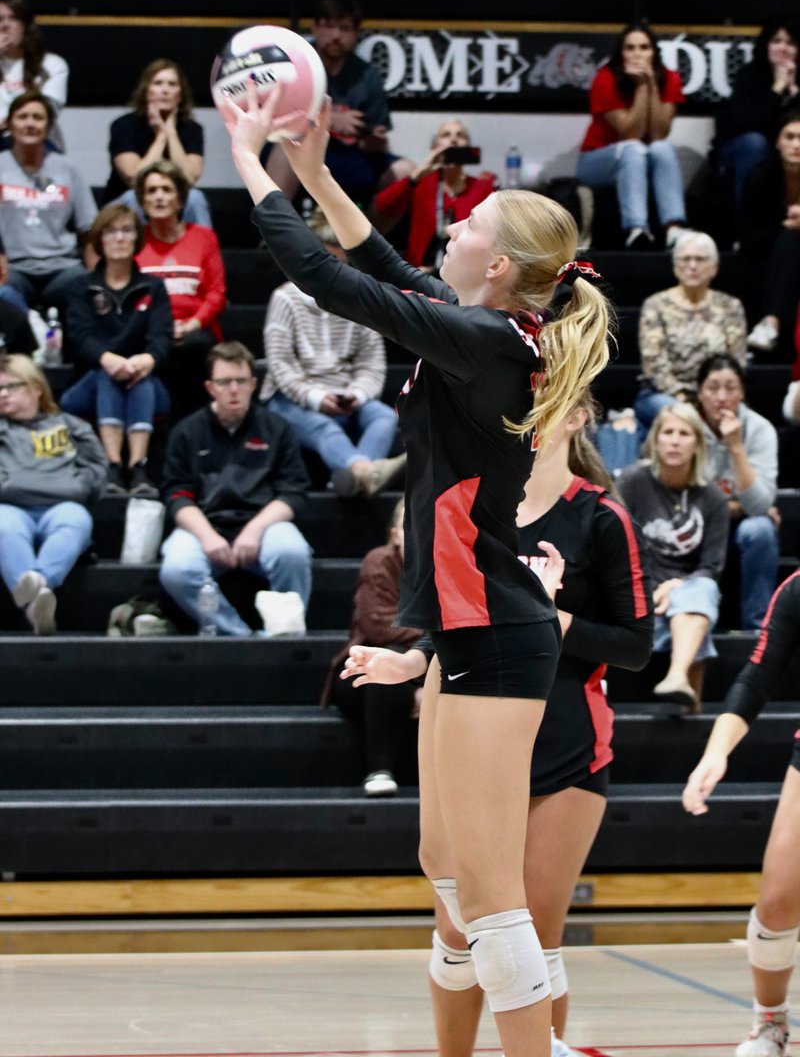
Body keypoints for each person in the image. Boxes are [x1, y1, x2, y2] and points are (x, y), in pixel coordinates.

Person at [225, 81, 612, 1057]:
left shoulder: (486, 343)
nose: (453, 225)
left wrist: (247, 163)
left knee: (487, 899)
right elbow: (381, 260)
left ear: (503, 265)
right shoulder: (487, 329)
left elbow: (334, 283)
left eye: (470, 220)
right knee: (440, 858)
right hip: (460, 627)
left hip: (495, 630)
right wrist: (310, 170)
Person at [344, 396, 653, 1057]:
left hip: (566, 742)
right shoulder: (484, 507)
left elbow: (636, 644)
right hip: (476, 734)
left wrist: (550, 617)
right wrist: (413, 659)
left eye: (547, 405)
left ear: (575, 419)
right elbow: (463, 619)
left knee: (532, 929)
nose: (526, 413)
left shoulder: (602, 517)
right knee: (460, 929)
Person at [682, 568, 800, 1057]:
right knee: (777, 902)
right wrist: (716, 753)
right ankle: (770, 1022)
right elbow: (755, 678)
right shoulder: (796, 590)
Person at [159, 340, 312, 638]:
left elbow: (293, 491)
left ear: (253, 384)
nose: (233, 389)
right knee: (176, 568)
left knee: (292, 552)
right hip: (205, 523)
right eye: (224, 382)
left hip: (264, 523)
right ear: (209, 387)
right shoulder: (187, 432)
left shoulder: (277, 428)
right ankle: (237, 634)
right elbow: (176, 495)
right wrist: (207, 536)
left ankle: (285, 633)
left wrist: (255, 529)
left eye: (240, 381)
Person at [261, 204, 405, 497]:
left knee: (385, 417)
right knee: (327, 430)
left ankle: (353, 479)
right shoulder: (286, 298)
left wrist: (357, 394)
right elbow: (281, 367)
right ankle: (366, 472)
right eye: (326, 260)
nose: (332, 270)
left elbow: (372, 364)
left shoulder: (358, 299)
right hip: (292, 399)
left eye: (339, 262)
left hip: (345, 394)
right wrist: (317, 397)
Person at [616, 402, 729, 711]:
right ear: (655, 440)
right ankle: (685, 699)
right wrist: (653, 589)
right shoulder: (632, 482)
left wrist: (674, 587)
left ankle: (678, 676)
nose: (675, 440)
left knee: (701, 595)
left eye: (684, 433)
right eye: (667, 432)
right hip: (640, 593)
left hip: (687, 594)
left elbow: (711, 567)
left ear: (697, 444)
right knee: (698, 617)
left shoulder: (714, 498)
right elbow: (618, 548)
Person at [265, 0, 413, 220]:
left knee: (405, 171)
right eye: (329, 27)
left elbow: (376, 133)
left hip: (350, 156)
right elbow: (279, 116)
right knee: (284, 148)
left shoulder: (366, 74)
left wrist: (376, 142)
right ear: (314, 28)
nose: (336, 36)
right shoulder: (297, 64)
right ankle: (272, 233)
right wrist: (331, 119)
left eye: (344, 29)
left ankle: (368, 242)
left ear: (355, 34)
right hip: (304, 150)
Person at [60, 201, 173, 498]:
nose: (119, 238)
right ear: (99, 239)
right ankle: (114, 465)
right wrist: (109, 360)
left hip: (145, 385)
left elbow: (162, 338)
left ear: (137, 237)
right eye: (110, 232)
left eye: (126, 231)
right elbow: (78, 339)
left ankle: (137, 467)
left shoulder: (153, 288)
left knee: (140, 378)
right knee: (106, 375)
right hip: (88, 384)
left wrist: (144, 361)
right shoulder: (81, 288)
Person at [321, 499, 424, 797]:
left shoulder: (452, 566)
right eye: (410, 522)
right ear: (395, 535)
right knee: (385, 661)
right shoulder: (380, 561)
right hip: (360, 672)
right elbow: (378, 624)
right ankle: (379, 768)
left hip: (429, 669)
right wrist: (434, 635)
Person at [0, 352, 107, 635]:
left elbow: (96, 469)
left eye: (12, 386)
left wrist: (78, 487)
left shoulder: (70, 426)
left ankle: (38, 586)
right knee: (2, 526)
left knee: (77, 520)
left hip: (62, 507)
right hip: (9, 508)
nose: (3, 394)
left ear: (36, 388)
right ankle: (38, 601)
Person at [575, 21, 688, 250]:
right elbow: (630, 133)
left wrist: (652, 85)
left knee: (662, 149)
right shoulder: (605, 78)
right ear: (621, 53)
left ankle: (674, 229)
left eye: (644, 47)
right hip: (596, 161)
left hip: (641, 157)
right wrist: (641, 87)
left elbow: (659, 134)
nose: (637, 54)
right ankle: (637, 229)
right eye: (630, 48)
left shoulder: (669, 78)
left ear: (654, 52)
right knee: (633, 148)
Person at [133, 159, 226, 419]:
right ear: (142, 200)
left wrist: (192, 324)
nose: (159, 197)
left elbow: (216, 293)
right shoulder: (135, 239)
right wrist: (160, 327)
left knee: (196, 344)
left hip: (194, 330)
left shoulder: (203, 237)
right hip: (151, 330)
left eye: (166, 189)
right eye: (151, 191)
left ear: (181, 198)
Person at [635, 229, 748, 437]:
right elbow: (654, 364)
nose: (692, 266)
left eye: (700, 259)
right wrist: (685, 398)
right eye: (686, 259)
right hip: (664, 394)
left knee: (747, 419)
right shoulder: (656, 305)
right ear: (675, 266)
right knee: (681, 415)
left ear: (714, 267)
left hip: (716, 393)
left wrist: (713, 396)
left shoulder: (730, 306)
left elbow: (736, 361)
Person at [695, 353, 780, 631]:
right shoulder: (685, 427)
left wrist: (735, 446)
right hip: (699, 527)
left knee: (761, 529)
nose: (721, 397)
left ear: (742, 392)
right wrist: (731, 506)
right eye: (713, 387)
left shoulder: (760, 430)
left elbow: (758, 506)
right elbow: (682, 500)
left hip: (740, 528)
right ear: (699, 392)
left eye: (731, 388)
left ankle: (757, 629)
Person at [0, 90, 96, 315]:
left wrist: (97, 277)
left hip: (61, 267)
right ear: (10, 124)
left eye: (38, 117)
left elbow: (89, 230)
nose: (30, 123)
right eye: (22, 117)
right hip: (14, 268)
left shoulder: (67, 168)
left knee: (85, 288)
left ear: (48, 126)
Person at [373, 119, 499, 269]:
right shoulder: (421, 183)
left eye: (461, 135)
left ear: (468, 147)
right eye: (446, 135)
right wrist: (418, 174)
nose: (453, 139)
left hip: (465, 273)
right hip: (420, 274)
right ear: (434, 147)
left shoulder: (482, 187)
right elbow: (383, 206)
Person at [103, 58, 211, 227]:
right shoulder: (123, 125)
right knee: (134, 197)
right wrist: (161, 136)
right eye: (158, 83)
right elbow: (134, 179)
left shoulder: (192, 129)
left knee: (195, 198)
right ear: (146, 90)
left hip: (174, 203)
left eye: (172, 84)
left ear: (180, 94)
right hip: (126, 200)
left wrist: (171, 132)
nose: (165, 90)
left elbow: (188, 179)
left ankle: (204, 251)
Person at [714, 15, 800, 213]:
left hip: (789, 148)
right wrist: (777, 89)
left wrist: (794, 90)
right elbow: (747, 124)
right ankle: (748, 229)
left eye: (790, 43)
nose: (783, 48)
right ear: (766, 45)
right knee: (755, 143)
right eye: (776, 41)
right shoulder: (749, 75)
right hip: (742, 147)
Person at [740, 111, 800, 356]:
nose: (796, 145)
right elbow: (748, 239)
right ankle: (770, 323)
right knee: (789, 238)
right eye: (790, 137)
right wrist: (784, 226)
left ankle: (771, 323)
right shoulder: (760, 177)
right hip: (766, 255)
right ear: (777, 142)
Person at [0, 0, 67, 147]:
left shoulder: (52, 64)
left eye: (13, 19)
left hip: (39, 144)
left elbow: (46, 113)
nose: (5, 26)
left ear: (25, 25)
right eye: (0, 20)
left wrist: (8, 122)